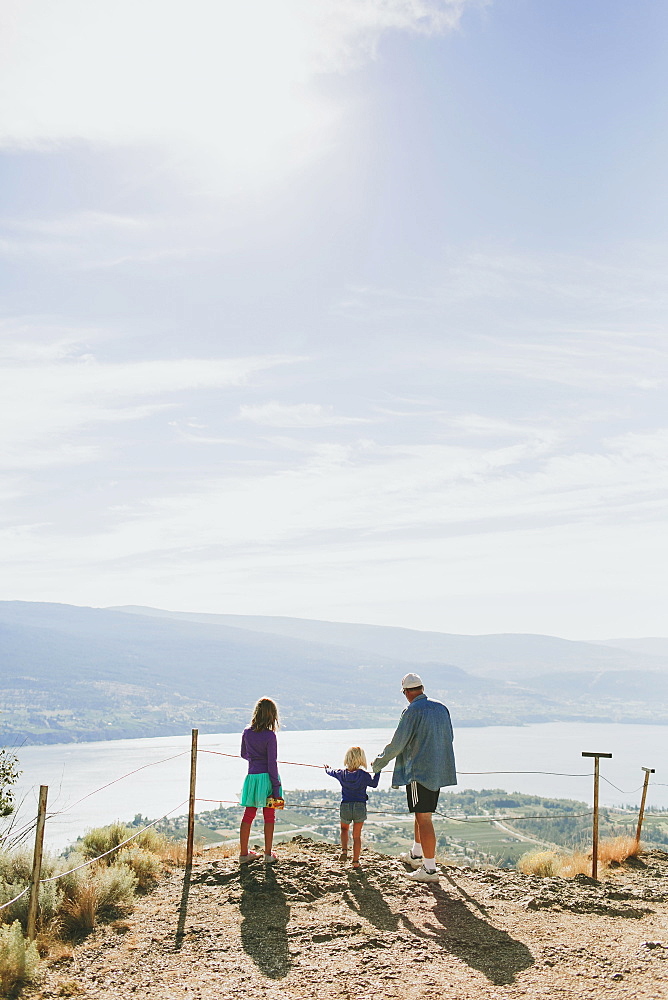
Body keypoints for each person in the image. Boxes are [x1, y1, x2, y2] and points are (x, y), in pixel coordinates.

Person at [371, 673, 456, 882]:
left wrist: (378, 763)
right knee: (422, 814)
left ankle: (429, 869)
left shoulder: (411, 711)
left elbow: (398, 743)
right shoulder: (441, 708)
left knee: (424, 818)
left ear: (407, 692)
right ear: (422, 688)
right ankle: (417, 854)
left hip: (419, 771)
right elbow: (450, 737)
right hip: (437, 769)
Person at [238, 697, 284, 865]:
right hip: (268, 779)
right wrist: (276, 786)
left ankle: (244, 854)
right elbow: (272, 762)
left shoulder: (247, 732)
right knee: (269, 816)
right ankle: (268, 854)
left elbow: (243, 754)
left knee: (248, 814)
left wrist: (254, 760)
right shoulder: (270, 736)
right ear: (272, 716)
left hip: (252, 778)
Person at [324, 746, 380, 868]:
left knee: (344, 829)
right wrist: (377, 771)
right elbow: (374, 784)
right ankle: (355, 861)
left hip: (345, 806)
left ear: (347, 759)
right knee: (356, 836)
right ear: (361, 759)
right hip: (360, 806)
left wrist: (327, 769)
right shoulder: (364, 775)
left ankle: (344, 850)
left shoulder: (341, 773)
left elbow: (330, 772)